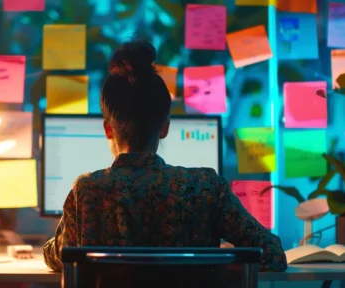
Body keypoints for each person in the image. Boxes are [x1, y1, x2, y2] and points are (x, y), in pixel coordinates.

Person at [43, 40, 287, 274]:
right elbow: (273, 253)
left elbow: (56, 256)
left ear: (108, 129)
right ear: (165, 127)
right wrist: (220, 259)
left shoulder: (87, 191)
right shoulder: (206, 187)